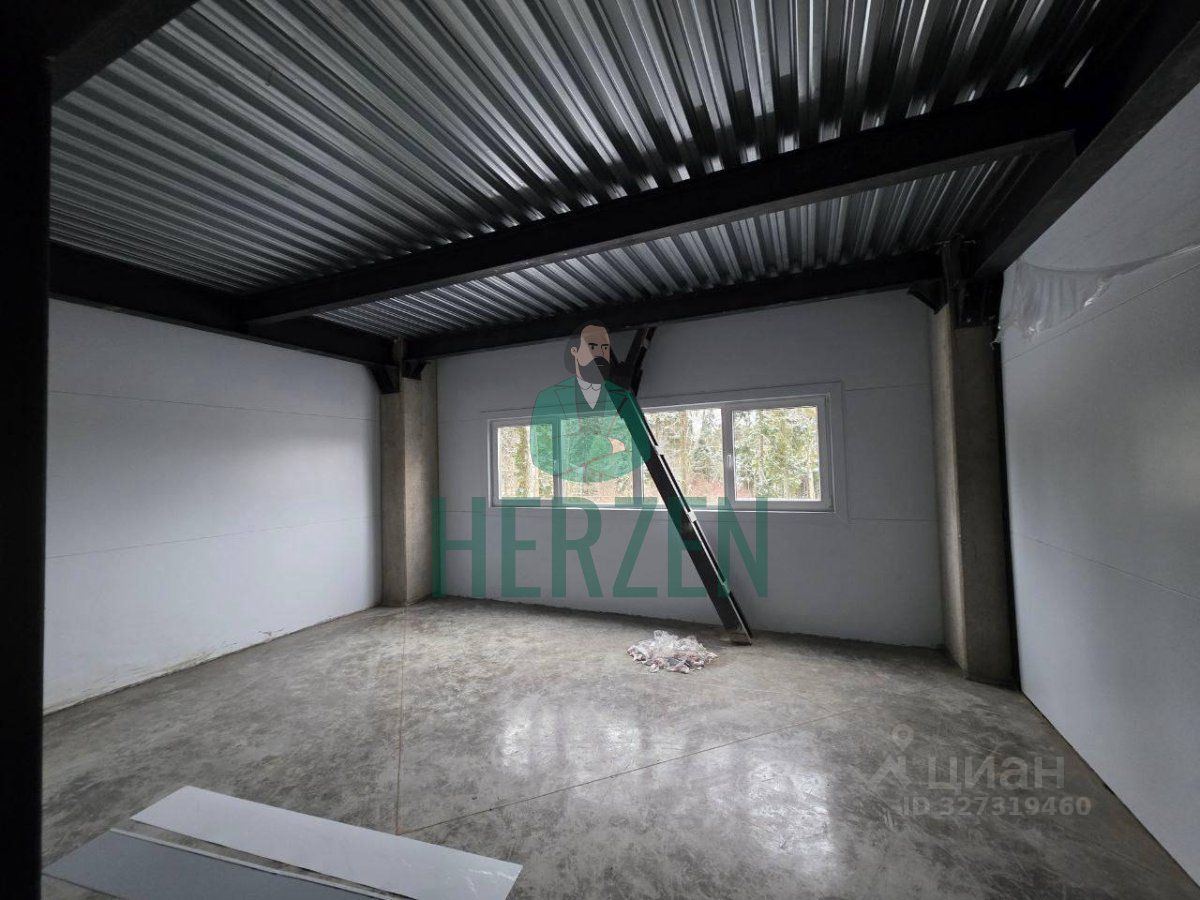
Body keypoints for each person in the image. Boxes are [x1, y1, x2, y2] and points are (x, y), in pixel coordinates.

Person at [530, 321, 643, 483]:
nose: (599, 354)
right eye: (592, 347)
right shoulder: (551, 397)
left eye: (604, 348)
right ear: (575, 352)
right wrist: (610, 445)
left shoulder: (613, 396)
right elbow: (553, 455)